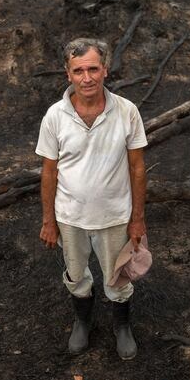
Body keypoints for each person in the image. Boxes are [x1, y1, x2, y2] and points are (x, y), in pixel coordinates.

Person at [35, 38, 148, 360]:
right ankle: (82, 321)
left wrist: (137, 218)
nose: (87, 78)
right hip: (70, 217)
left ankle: (122, 327)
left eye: (93, 69)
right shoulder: (55, 116)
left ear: (105, 70)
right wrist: (49, 221)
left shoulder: (127, 111)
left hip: (115, 215)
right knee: (76, 274)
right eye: (79, 70)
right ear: (68, 74)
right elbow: (48, 172)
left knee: (119, 277)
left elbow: (137, 168)